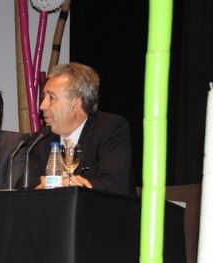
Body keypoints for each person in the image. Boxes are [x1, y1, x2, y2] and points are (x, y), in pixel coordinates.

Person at [29, 62, 135, 195]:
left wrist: (73, 186)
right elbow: (24, 184)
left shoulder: (110, 129)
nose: (42, 106)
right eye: (44, 98)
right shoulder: (41, 139)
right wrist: (43, 187)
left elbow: (115, 184)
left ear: (76, 104)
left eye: (51, 98)